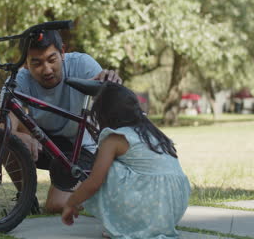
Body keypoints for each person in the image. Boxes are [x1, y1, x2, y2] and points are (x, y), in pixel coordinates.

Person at [4, 30, 122, 213]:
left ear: (63, 52)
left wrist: (113, 82)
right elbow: (4, 123)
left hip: (79, 146)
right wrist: (18, 136)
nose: (47, 70)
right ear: (25, 63)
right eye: (36, 63)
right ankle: (26, 199)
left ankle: (98, 191)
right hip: (44, 142)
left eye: (52, 60)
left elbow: (113, 99)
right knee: (4, 138)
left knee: (56, 206)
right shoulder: (19, 79)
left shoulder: (82, 64)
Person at [62, 82, 191, 238]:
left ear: (103, 114)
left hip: (153, 202)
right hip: (173, 207)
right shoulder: (151, 132)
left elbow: (94, 182)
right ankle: (143, 227)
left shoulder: (114, 138)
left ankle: (126, 226)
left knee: (108, 169)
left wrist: (71, 202)